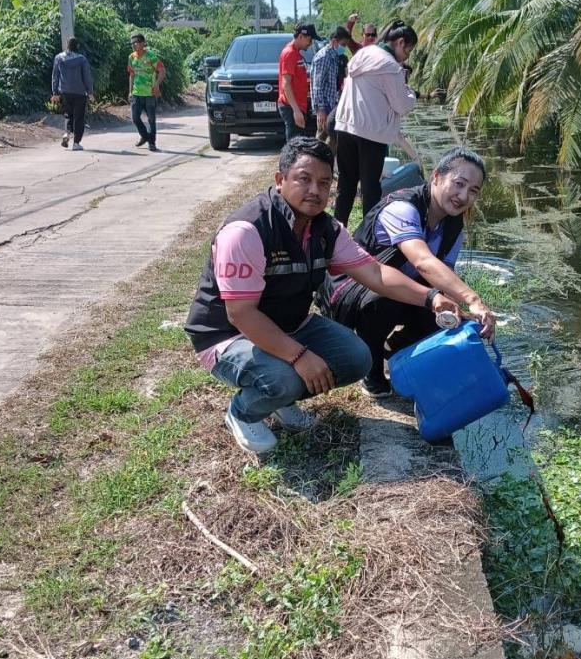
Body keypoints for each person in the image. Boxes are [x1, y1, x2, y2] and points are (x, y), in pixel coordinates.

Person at [185, 136, 460, 455]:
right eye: (304, 179)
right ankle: (244, 411)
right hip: (227, 334)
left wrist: (431, 298)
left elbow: (375, 273)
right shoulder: (247, 231)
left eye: (324, 182)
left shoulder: (326, 229)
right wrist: (300, 356)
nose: (315, 190)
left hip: (291, 324)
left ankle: (280, 398)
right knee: (285, 376)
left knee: (357, 358)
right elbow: (241, 314)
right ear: (280, 179)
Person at [323, 146, 496, 396]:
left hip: (404, 288)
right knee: (384, 303)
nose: (463, 195)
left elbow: (440, 274)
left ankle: (395, 352)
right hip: (352, 289)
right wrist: (472, 299)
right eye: (459, 183)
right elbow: (423, 261)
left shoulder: (453, 224)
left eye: (473, 191)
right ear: (436, 176)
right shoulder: (403, 207)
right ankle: (371, 372)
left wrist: (464, 309)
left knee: (447, 315)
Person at [332, 19, 421, 225]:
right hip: (372, 134)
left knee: (346, 185)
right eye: (408, 51)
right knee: (371, 189)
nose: (406, 56)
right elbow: (401, 105)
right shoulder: (390, 66)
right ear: (399, 42)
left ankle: (337, 234)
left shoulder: (363, 53)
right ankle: (369, 237)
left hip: (346, 127)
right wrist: (411, 93)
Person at [51, 36, 95, 150]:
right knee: (79, 117)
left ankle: (67, 133)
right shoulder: (82, 59)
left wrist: (55, 92)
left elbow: (55, 76)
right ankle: (76, 143)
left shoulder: (59, 58)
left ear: (67, 45)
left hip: (64, 92)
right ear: (77, 46)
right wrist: (90, 92)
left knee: (68, 115)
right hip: (80, 92)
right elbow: (87, 77)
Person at [310, 25, 351, 137]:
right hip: (325, 108)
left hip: (333, 107)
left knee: (333, 144)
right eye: (343, 45)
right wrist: (321, 110)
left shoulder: (336, 57)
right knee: (322, 142)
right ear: (334, 42)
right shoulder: (323, 57)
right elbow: (317, 86)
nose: (344, 48)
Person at [278, 23, 316, 141]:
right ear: (301, 36)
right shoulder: (289, 53)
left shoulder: (296, 54)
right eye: (309, 40)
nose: (310, 44)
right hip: (291, 107)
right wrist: (296, 110)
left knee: (299, 146)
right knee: (294, 148)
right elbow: (286, 83)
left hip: (298, 106)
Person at [127, 33, 165, 152]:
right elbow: (131, 75)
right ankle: (145, 136)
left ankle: (152, 143)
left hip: (150, 93)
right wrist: (130, 91)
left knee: (151, 120)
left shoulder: (151, 56)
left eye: (136, 42)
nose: (134, 45)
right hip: (137, 93)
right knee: (135, 118)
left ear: (143, 43)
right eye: (132, 43)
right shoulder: (131, 57)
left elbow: (162, 71)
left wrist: (157, 84)